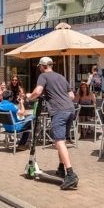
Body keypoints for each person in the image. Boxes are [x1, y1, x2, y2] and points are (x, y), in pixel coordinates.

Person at [26, 57, 78, 190]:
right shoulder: (61, 77)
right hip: (70, 110)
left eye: (39, 66)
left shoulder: (43, 76)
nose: (39, 68)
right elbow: (71, 96)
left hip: (59, 111)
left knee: (59, 141)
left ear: (43, 66)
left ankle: (70, 174)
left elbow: (37, 91)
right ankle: (61, 168)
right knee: (63, 141)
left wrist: (29, 97)